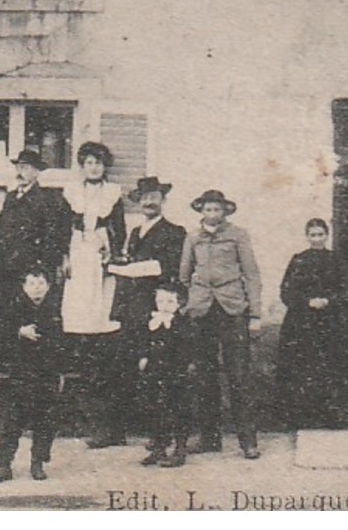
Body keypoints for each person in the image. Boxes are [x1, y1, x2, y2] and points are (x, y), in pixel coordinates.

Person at [179, 188, 262, 459]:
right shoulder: (193, 238)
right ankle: (209, 437)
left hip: (232, 309)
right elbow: (184, 275)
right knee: (204, 375)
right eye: (207, 209)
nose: (212, 214)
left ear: (225, 211)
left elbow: (251, 274)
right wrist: (188, 304)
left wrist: (255, 314)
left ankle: (247, 440)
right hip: (202, 310)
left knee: (238, 375)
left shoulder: (238, 235)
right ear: (201, 211)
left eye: (217, 209)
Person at [106, 176, 187, 445]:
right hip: (132, 310)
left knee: (156, 373)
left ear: (163, 201)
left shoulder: (175, 232)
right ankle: (115, 432)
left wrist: (125, 269)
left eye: (154, 197)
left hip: (156, 310)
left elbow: (164, 268)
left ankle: (158, 436)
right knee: (123, 367)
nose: (149, 202)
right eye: (144, 197)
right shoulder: (134, 233)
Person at [59, 142, 125, 449]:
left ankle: (108, 426)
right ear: (81, 166)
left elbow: (120, 231)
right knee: (79, 337)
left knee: (103, 336)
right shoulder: (71, 194)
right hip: (77, 257)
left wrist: (109, 246)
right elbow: (62, 231)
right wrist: (64, 257)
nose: (94, 167)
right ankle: (84, 420)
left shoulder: (112, 194)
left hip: (101, 261)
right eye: (88, 163)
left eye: (98, 163)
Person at [0, 266, 64, 484]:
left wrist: (60, 372)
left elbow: (63, 344)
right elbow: (0, 334)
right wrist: (19, 331)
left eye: (41, 283)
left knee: (45, 419)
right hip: (21, 373)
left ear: (48, 286)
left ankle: (38, 462)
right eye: (31, 283)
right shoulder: (14, 309)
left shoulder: (56, 309)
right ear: (23, 287)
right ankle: (4, 464)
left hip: (47, 373)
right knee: (13, 419)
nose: (37, 288)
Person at [273, 218, 348, 429]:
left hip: (329, 321)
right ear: (307, 236)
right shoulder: (298, 259)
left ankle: (330, 417)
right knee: (300, 366)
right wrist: (307, 302)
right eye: (313, 235)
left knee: (328, 367)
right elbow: (286, 291)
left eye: (321, 234)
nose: (317, 238)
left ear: (327, 235)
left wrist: (328, 300)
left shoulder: (337, 260)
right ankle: (298, 418)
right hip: (301, 322)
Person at [137, 282, 194, 468]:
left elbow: (186, 349)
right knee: (155, 409)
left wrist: (181, 366)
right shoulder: (152, 321)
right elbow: (144, 341)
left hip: (175, 373)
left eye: (170, 301)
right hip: (154, 372)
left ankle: (180, 449)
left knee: (177, 410)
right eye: (160, 300)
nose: (164, 305)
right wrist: (144, 356)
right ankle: (159, 447)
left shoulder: (182, 323)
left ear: (180, 303)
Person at [0, 149, 72, 281]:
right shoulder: (11, 197)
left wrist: (44, 262)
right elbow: (0, 226)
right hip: (6, 262)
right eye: (18, 167)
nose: (19, 172)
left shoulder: (47, 199)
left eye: (25, 167)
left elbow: (53, 234)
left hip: (32, 264)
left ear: (37, 172)